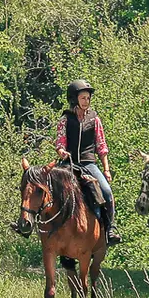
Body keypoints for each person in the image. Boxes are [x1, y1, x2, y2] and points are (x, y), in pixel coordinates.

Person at [55, 80, 121, 245]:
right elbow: (60, 142)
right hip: (69, 164)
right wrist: (61, 151)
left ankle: (110, 228)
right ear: (74, 99)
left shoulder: (95, 119)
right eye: (83, 98)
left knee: (106, 192)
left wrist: (106, 169)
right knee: (50, 188)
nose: (86, 101)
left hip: (88, 163)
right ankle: (46, 225)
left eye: (88, 98)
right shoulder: (65, 119)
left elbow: (101, 145)